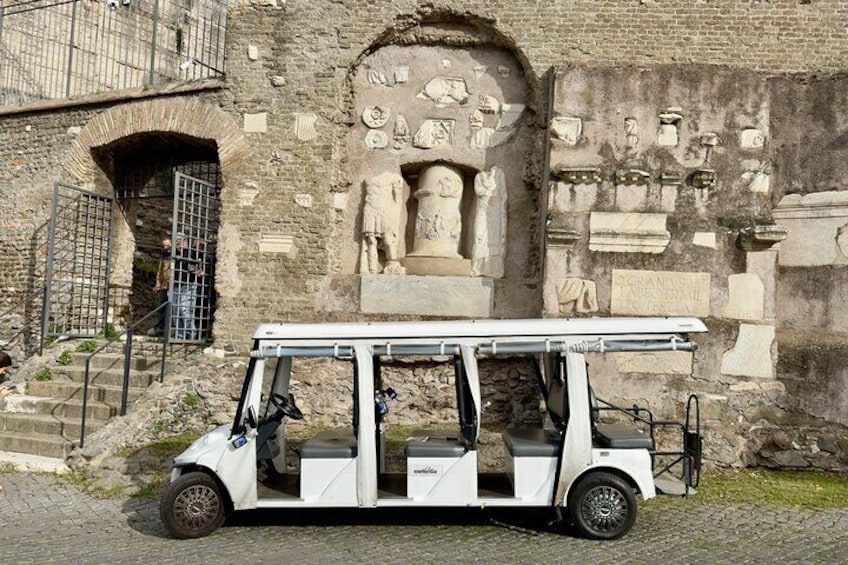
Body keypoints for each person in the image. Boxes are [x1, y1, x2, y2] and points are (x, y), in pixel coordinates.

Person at [172, 234, 202, 341]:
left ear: (186, 242)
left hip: (189, 284)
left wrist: (198, 271)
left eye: (181, 241)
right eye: (177, 241)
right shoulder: (174, 254)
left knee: (184, 310)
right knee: (176, 311)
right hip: (175, 285)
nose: (179, 243)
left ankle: (191, 331)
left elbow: (199, 268)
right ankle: (181, 335)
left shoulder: (192, 253)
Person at [151, 237, 172, 337]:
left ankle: (167, 328)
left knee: (171, 308)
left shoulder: (175, 255)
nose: (165, 247)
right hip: (164, 286)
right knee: (162, 307)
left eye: (167, 245)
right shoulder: (164, 256)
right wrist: (158, 284)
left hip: (172, 285)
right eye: (164, 245)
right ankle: (162, 328)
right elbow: (160, 271)